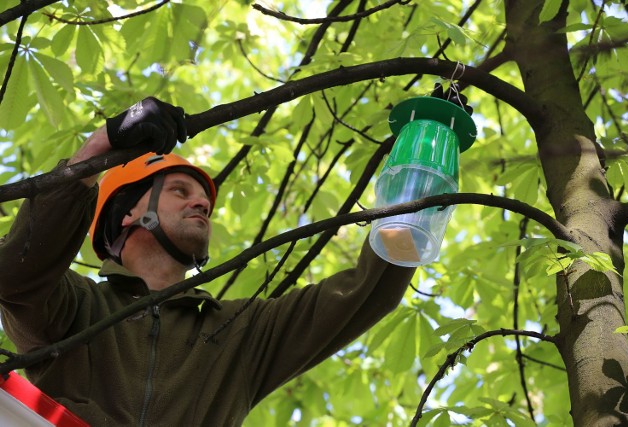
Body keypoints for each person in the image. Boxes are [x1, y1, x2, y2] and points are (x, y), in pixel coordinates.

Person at [0, 97, 416, 426]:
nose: (202, 201)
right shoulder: (72, 304)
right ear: (127, 214)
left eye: (201, 199)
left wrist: (418, 186)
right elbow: (16, 273)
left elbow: (366, 292)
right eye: (180, 191)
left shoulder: (241, 333)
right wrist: (102, 144)